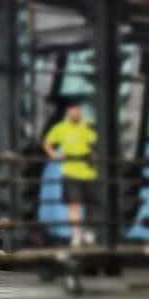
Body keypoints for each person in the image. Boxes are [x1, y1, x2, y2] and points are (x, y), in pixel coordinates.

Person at [43, 103, 98, 246]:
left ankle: (89, 231)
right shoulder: (61, 128)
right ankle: (76, 234)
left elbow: (96, 144)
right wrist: (54, 154)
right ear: (68, 111)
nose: (75, 112)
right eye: (73, 110)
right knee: (74, 205)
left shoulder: (88, 126)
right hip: (70, 172)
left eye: (78, 109)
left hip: (89, 172)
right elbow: (47, 143)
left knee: (90, 205)